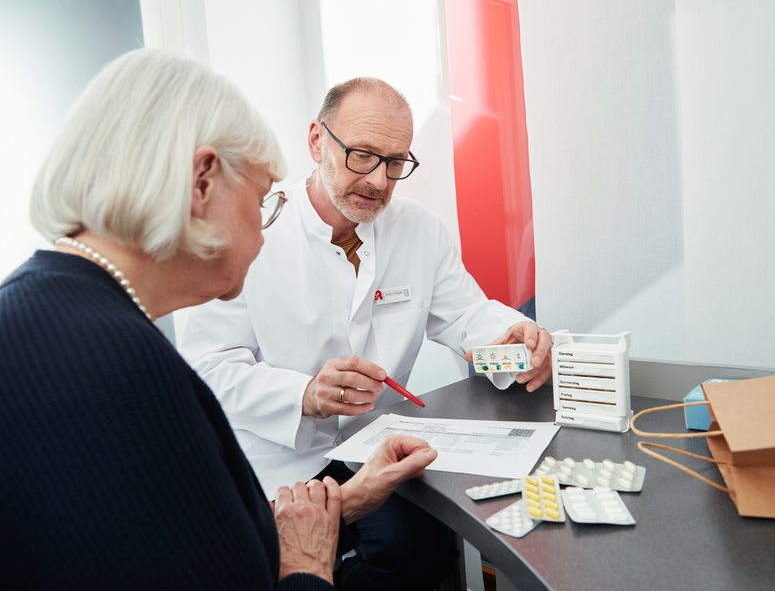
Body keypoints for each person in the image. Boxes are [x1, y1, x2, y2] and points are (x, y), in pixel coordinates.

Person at [0, 49, 439, 590]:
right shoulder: (120, 365)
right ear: (203, 182)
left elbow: (188, 545)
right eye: (259, 203)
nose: (262, 232)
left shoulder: (43, 315)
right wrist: (305, 569)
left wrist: (346, 503)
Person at [179, 77, 553, 590]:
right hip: (277, 455)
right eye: (362, 156)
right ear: (316, 140)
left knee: (418, 548)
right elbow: (207, 370)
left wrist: (517, 334)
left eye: (396, 162)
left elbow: (466, 315)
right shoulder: (251, 226)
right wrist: (305, 395)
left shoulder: (417, 229)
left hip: (371, 445)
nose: (379, 181)